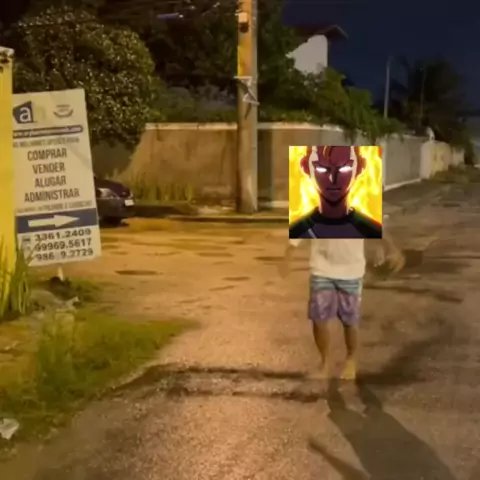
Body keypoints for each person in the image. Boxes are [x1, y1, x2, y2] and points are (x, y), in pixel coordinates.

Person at [279, 235, 404, 380]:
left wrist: (392, 248)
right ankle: (324, 363)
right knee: (319, 319)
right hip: (321, 270)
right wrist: (287, 256)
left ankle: (350, 360)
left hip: (351, 272)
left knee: (350, 321)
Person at [289, 146, 382, 239]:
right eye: (321, 169)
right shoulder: (295, 233)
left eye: (344, 169)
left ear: (360, 167)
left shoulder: (374, 233)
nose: (332, 179)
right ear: (305, 167)